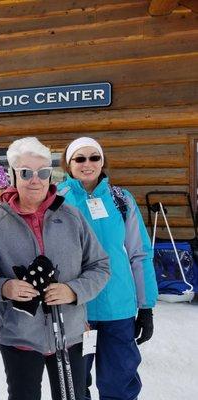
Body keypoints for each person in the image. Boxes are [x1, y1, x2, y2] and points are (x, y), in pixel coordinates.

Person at [0, 137, 110, 400]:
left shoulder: (72, 217)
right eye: (26, 173)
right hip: (19, 335)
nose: (35, 180)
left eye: (42, 172)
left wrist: (74, 291)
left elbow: (100, 265)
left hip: (70, 333)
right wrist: (4, 287)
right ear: (14, 175)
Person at [57, 137, 158, 400]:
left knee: (119, 383)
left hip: (118, 308)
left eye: (94, 157)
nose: (87, 164)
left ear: (103, 162)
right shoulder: (56, 198)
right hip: (75, 308)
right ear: (68, 164)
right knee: (74, 386)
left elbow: (140, 253)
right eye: (80, 158)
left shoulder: (121, 199)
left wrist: (146, 307)